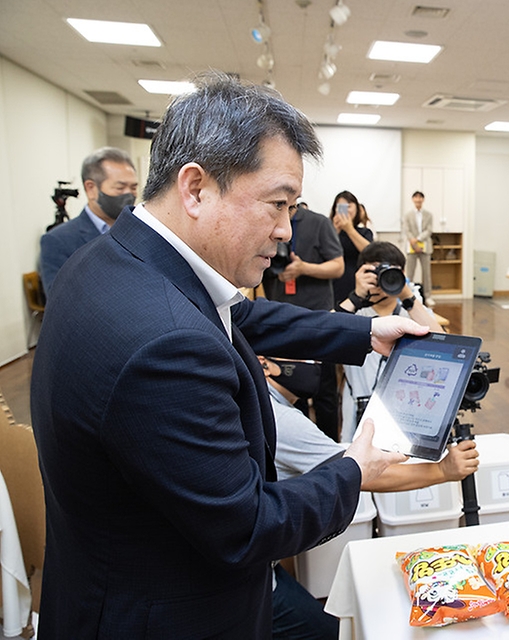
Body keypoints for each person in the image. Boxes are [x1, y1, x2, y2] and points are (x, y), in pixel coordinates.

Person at [30, 71, 425, 638]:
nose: (288, 231)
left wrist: (364, 334)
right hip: (163, 613)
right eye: (277, 204)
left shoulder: (114, 262)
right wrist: (353, 470)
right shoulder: (165, 345)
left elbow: (240, 316)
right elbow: (247, 527)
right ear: (196, 189)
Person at [261, 355, 479, 639]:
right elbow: (355, 473)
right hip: (248, 581)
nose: (313, 366)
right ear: (263, 363)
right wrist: (442, 470)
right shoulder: (284, 420)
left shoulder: (265, 403)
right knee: (330, 634)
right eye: (302, 357)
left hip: (258, 564)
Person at [336, 241, 445, 442]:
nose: (381, 280)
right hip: (359, 411)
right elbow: (323, 334)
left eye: (388, 272)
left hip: (405, 411)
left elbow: (444, 344)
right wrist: (356, 296)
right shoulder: (352, 312)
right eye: (374, 272)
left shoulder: (410, 311)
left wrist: (407, 295)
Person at [261, 200, 345, 440]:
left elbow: (338, 267)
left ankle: (330, 448)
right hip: (280, 320)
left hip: (318, 318)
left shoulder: (319, 223)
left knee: (324, 392)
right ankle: (298, 444)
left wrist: (303, 268)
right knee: (286, 387)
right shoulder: (267, 222)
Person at [38, 146, 138, 290]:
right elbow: (60, 302)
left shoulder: (139, 230)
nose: (129, 195)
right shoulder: (58, 241)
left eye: (133, 188)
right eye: (120, 188)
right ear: (91, 188)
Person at [329, 190, 374, 305]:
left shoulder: (364, 232)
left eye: (349, 206)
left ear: (356, 209)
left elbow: (369, 253)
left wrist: (349, 229)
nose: (345, 210)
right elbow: (324, 254)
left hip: (357, 281)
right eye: (341, 207)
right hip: (334, 282)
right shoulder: (328, 230)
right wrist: (335, 231)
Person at [402, 190, 435, 306]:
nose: (418, 199)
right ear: (413, 199)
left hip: (425, 245)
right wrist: (413, 242)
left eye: (420, 197)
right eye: (416, 197)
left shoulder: (428, 214)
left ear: (423, 200)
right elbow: (407, 230)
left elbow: (429, 230)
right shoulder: (407, 215)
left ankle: (428, 296)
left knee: (427, 273)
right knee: (409, 272)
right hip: (411, 246)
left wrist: (419, 239)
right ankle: (407, 295)